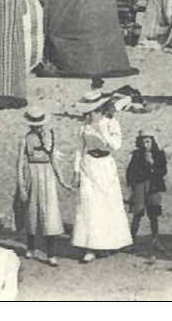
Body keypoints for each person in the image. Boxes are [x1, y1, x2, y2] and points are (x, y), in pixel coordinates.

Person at [71, 92, 132, 263]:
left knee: (107, 204)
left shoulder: (111, 123)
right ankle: (90, 247)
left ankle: (108, 243)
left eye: (92, 111)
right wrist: (76, 170)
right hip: (88, 164)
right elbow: (79, 148)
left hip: (105, 165)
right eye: (88, 111)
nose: (89, 115)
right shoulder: (84, 126)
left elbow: (116, 146)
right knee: (89, 205)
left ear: (99, 109)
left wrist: (101, 129)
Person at [14, 106, 67, 267]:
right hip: (32, 173)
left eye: (40, 125)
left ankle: (51, 253)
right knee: (31, 211)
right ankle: (31, 247)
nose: (38, 128)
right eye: (35, 125)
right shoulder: (25, 139)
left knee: (50, 213)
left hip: (47, 175)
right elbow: (19, 163)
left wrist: (62, 180)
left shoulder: (50, 136)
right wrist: (22, 186)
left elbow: (54, 160)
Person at [126, 130, 168, 252]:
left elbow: (163, 171)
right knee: (137, 213)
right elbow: (130, 172)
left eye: (148, 142)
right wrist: (133, 187)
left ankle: (155, 240)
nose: (146, 145)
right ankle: (132, 241)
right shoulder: (137, 155)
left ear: (152, 142)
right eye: (143, 142)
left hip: (154, 186)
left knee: (153, 214)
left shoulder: (159, 154)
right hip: (140, 186)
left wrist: (153, 165)